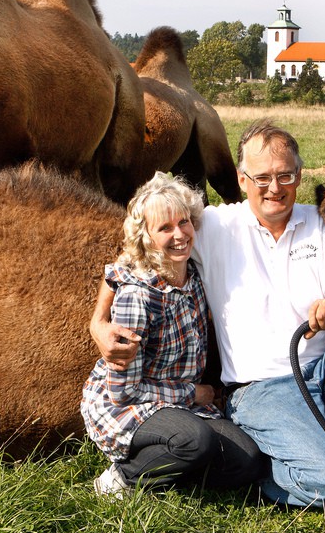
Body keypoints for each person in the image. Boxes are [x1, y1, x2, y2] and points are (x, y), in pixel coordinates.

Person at [90, 119, 325, 507]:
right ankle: (271, 472)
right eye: (262, 177)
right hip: (262, 389)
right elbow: (130, 262)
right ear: (242, 180)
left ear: (299, 176)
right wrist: (98, 322)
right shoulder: (212, 226)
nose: (274, 188)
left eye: (284, 176)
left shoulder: (321, 221)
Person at [81, 173, 268, 497]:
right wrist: (194, 395)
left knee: (248, 461)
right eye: (164, 228)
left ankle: (167, 478)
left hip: (181, 403)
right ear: (147, 237)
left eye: (184, 222)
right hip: (130, 405)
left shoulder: (193, 276)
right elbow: (124, 391)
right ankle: (122, 479)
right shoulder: (137, 298)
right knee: (195, 440)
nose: (179, 234)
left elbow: (114, 271)